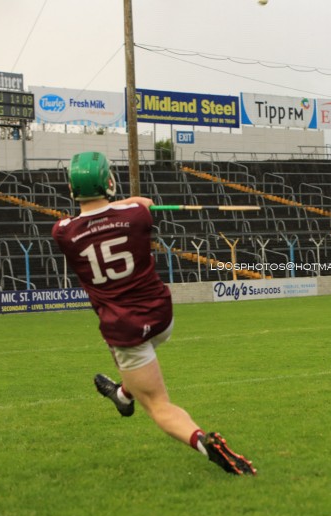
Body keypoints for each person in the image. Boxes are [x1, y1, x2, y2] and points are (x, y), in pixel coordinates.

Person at [52, 151, 256, 475]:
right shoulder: (137, 216)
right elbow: (138, 203)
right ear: (108, 182)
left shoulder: (63, 232)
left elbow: (91, 217)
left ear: (71, 188)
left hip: (125, 330)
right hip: (161, 316)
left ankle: (203, 442)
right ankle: (122, 394)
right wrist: (128, 202)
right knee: (135, 377)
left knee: (159, 406)